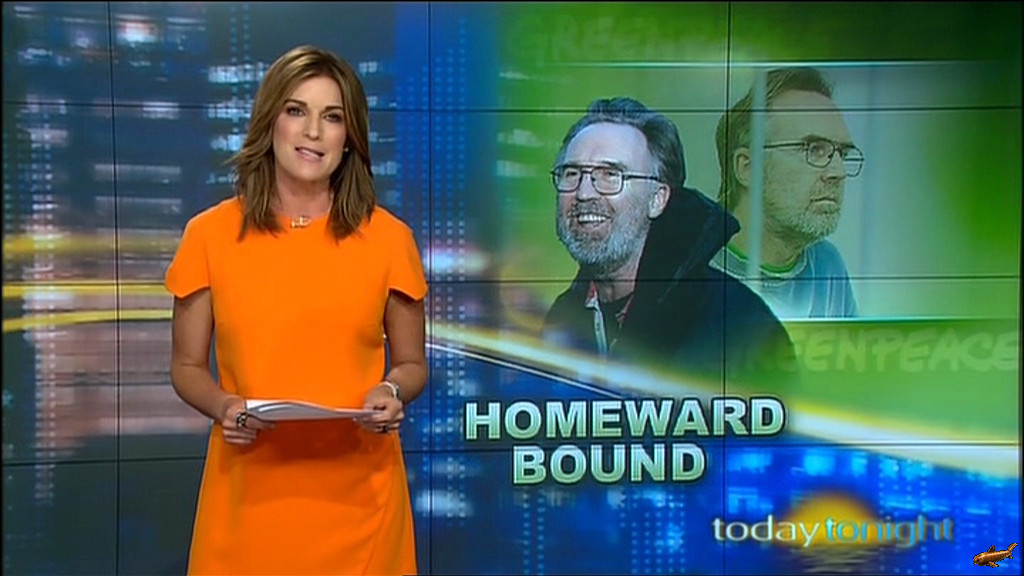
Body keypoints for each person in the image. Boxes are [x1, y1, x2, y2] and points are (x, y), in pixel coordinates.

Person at [165, 45, 427, 575]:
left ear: (350, 138)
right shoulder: (210, 235)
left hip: (362, 505)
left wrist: (392, 391)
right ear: (270, 122)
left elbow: (412, 364)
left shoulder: (389, 239)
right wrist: (223, 405)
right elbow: (187, 367)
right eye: (296, 111)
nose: (312, 132)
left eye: (332, 117)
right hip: (247, 502)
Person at [542, 97, 796, 389]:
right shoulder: (561, 317)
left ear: (658, 199)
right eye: (572, 174)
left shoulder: (740, 324)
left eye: (610, 175)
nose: (584, 193)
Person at [712, 67, 862, 319]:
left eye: (842, 154)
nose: (838, 172)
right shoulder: (681, 268)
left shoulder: (827, 264)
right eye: (814, 149)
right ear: (747, 167)